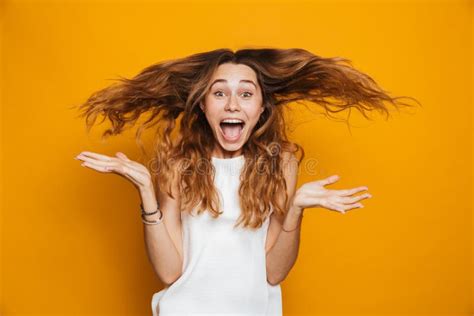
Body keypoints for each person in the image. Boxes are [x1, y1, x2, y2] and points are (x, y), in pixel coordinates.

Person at [73, 48, 419, 315]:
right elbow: (169, 272)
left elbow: (273, 272)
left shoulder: (280, 162)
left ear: (262, 108)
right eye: (219, 93)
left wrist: (296, 209)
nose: (232, 104)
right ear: (203, 107)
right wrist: (147, 192)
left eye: (246, 94)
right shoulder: (178, 164)